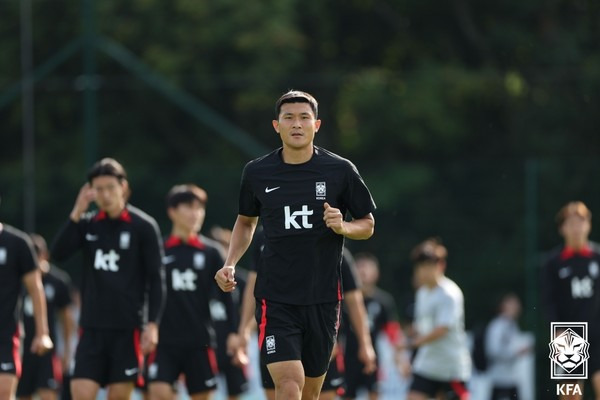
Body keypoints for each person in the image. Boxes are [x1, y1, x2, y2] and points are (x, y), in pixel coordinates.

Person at [215, 90, 376, 400]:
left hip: (323, 298)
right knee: (289, 385)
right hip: (276, 299)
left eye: (304, 118)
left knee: (311, 393)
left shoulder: (340, 170)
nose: (297, 124)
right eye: (289, 118)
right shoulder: (256, 172)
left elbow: (367, 224)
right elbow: (246, 222)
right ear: (277, 126)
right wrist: (230, 263)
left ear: (317, 124)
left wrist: (343, 226)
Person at [50, 158, 166, 400]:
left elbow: (156, 279)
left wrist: (152, 325)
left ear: (123, 187)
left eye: (110, 187)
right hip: (91, 328)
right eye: (98, 189)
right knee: (81, 393)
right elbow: (57, 254)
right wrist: (77, 211)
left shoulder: (143, 226)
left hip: (127, 329)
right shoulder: (87, 224)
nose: (105, 194)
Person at [233, 230, 376, 400]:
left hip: (320, 337)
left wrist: (365, 343)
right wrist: (244, 330)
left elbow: (354, 300)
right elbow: (254, 283)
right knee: (282, 391)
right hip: (277, 330)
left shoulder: (328, 239)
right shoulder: (264, 236)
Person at [145, 185, 237, 400]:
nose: (196, 213)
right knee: (159, 392)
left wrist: (233, 331)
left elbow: (227, 295)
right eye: (189, 207)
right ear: (172, 211)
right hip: (164, 341)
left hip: (199, 340)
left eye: (199, 208)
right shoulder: (159, 250)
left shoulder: (212, 252)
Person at [542, 201, 600, 399]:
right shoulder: (553, 263)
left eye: (581, 222)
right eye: (571, 223)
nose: (577, 228)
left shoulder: (598, 257)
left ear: (589, 225)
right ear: (562, 228)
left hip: (598, 332)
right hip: (568, 335)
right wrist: (555, 329)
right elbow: (548, 301)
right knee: (570, 394)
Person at [405, 238, 471, 400]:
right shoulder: (422, 293)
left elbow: (442, 329)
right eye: (420, 267)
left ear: (441, 266)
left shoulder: (449, 293)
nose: (424, 271)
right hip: (427, 365)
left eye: (428, 266)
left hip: (451, 367)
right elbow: (423, 325)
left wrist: (414, 343)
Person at [0, 208, 54, 400]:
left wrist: (43, 333)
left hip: (6, 334)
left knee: (4, 393)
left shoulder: (17, 243)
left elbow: (36, 289)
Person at [17, 234, 75, 400]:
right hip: (22, 347)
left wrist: (67, 351)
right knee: (23, 395)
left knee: (48, 394)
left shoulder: (58, 281)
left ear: (45, 255)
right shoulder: (17, 279)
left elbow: (67, 319)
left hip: (47, 350)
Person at [343, 252, 403, 400]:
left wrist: (400, 359)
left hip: (373, 357)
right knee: (347, 395)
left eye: (367, 268)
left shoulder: (383, 301)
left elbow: (392, 331)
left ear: (376, 273)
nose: (362, 272)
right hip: (347, 358)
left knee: (374, 394)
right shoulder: (344, 300)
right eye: (359, 267)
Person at [208, 226, 250, 400]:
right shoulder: (203, 275)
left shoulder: (240, 279)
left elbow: (250, 309)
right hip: (208, 339)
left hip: (231, 340)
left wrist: (241, 334)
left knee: (235, 391)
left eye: (225, 245)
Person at [484, 293, 532, 400]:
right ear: (504, 306)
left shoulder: (513, 324)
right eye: (513, 304)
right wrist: (516, 352)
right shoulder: (497, 325)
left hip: (512, 378)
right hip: (499, 378)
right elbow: (493, 350)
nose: (517, 307)